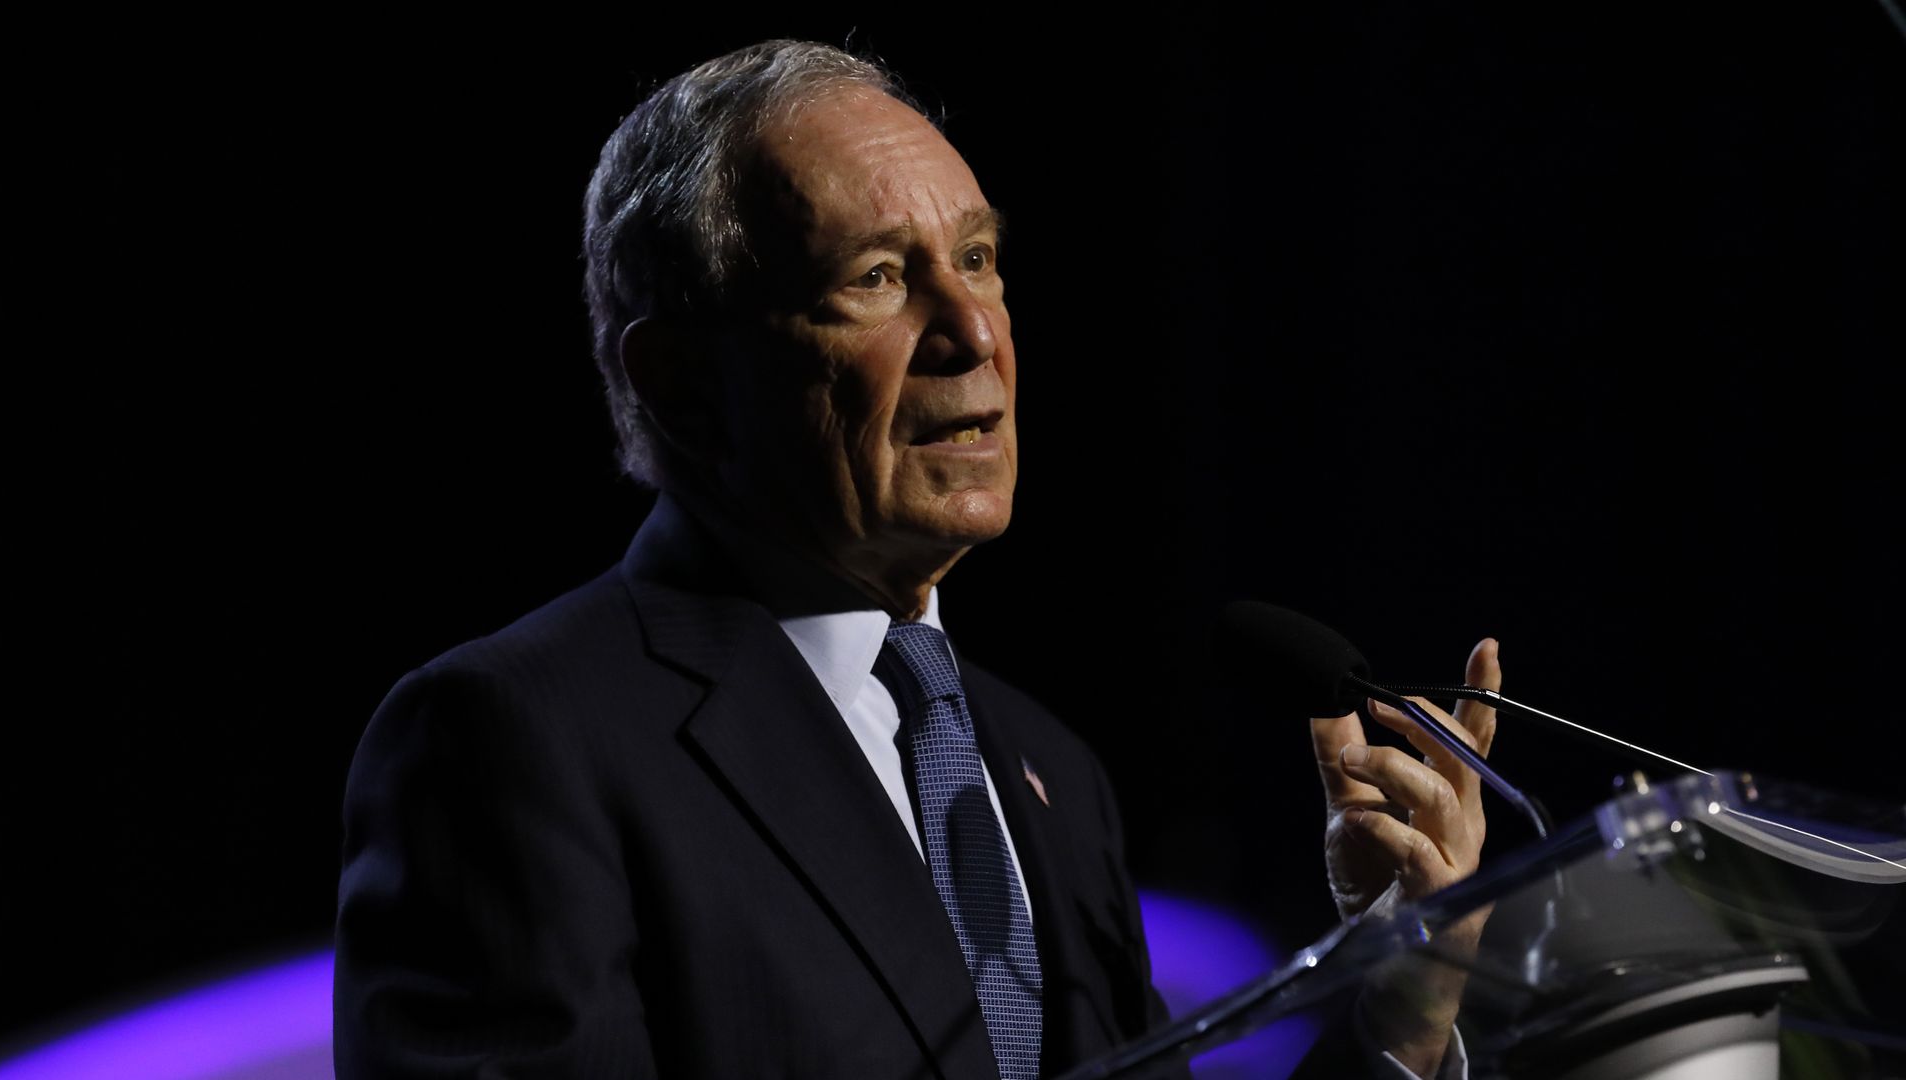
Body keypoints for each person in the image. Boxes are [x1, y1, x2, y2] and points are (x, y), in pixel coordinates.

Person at [333, 39, 1500, 1079]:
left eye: (981, 258)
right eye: (878, 278)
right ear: (683, 385)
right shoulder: (516, 740)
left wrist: (1403, 991)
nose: (974, 331)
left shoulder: (1051, 775)